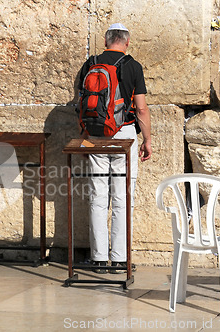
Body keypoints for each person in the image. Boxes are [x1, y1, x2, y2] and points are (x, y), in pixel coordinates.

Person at [77, 23, 152, 274]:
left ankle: (98, 258)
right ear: (127, 42)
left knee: (98, 196)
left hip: (95, 135)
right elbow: (141, 108)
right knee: (122, 196)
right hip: (124, 134)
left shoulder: (90, 64)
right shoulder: (132, 66)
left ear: (106, 40)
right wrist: (147, 140)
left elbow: (82, 101)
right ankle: (119, 258)